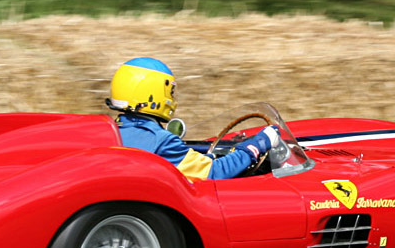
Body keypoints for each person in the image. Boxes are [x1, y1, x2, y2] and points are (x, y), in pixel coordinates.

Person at [107, 57, 280, 180]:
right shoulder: (161, 141)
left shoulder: (110, 130)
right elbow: (214, 172)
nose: (172, 98)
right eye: (170, 92)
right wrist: (255, 146)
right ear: (153, 94)